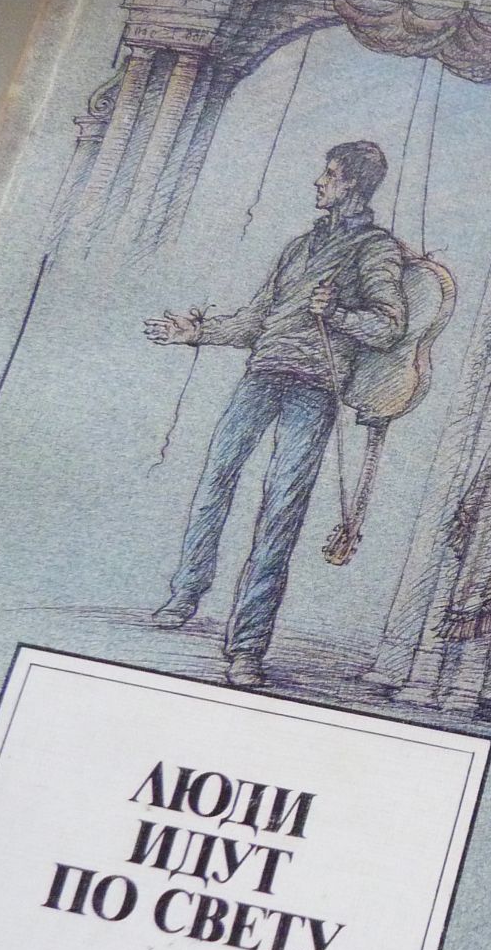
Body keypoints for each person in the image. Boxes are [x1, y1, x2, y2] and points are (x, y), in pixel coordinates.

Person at [143, 141, 406, 687]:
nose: (318, 182)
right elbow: (255, 320)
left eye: (329, 174)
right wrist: (197, 333)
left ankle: (247, 646)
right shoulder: (299, 247)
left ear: (353, 185)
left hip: (315, 388)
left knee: (281, 509)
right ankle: (186, 592)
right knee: (215, 481)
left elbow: (388, 326)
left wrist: (338, 314)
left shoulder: (376, 249)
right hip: (262, 375)